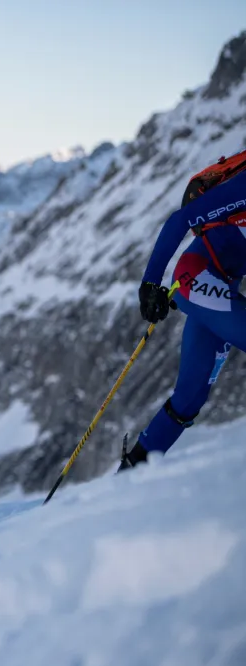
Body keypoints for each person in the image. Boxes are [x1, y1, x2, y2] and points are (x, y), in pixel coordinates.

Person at [120, 151, 246, 470]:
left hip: (224, 284)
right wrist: (150, 285)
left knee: (188, 399)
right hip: (195, 276)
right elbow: (181, 220)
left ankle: (126, 476)